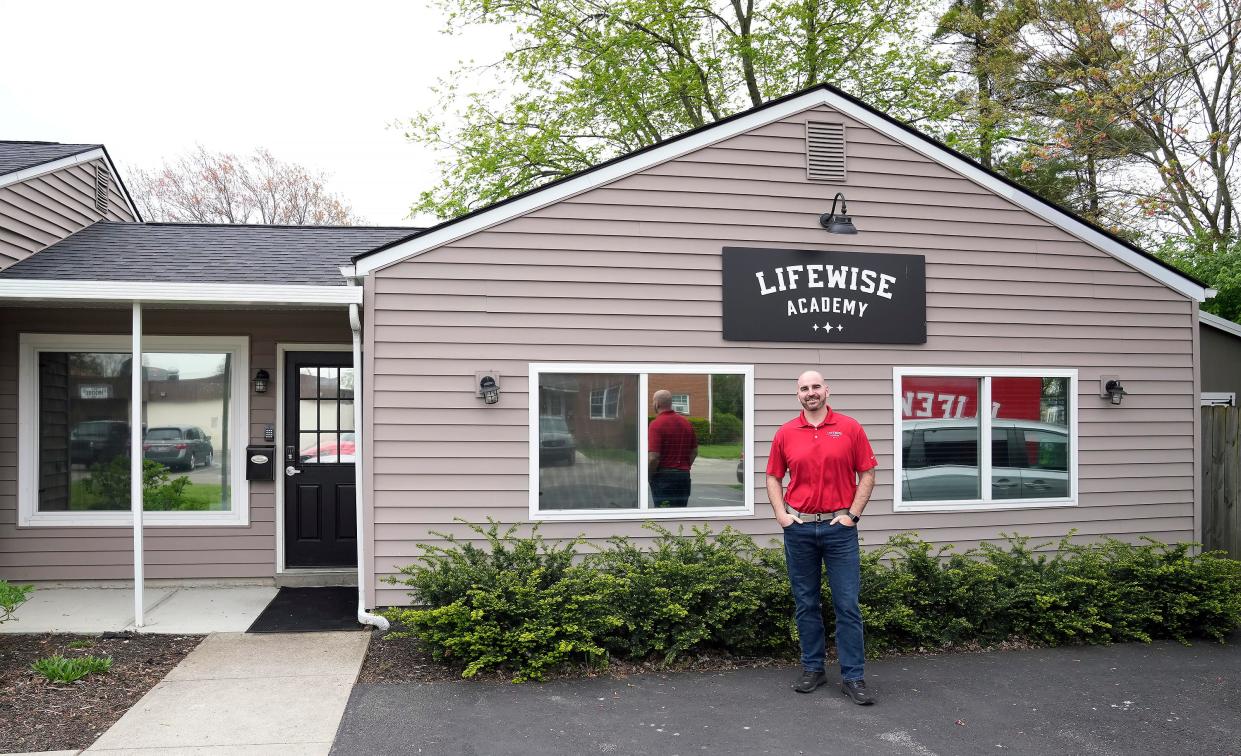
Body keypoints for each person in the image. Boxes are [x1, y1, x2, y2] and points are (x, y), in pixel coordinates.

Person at [766, 370, 878, 704]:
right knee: (806, 603)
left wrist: (852, 515)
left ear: (826, 391)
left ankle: (853, 677)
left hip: (838, 530)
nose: (810, 392)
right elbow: (773, 477)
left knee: (847, 605)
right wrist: (781, 516)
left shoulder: (850, 428)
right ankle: (813, 668)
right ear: (797, 394)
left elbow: (868, 472)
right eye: (804, 388)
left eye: (816, 387)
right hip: (799, 529)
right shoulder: (786, 433)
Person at [648, 389, 698, 507]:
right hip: (683, 478)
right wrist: (684, 467)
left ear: (657, 403)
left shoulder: (656, 424)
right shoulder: (686, 423)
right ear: (670, 403)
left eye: (652, 402)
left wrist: (649, 475)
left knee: (664, 515)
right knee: (679, 514)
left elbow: (653, 457)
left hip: (664, 478)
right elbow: (694, 452)